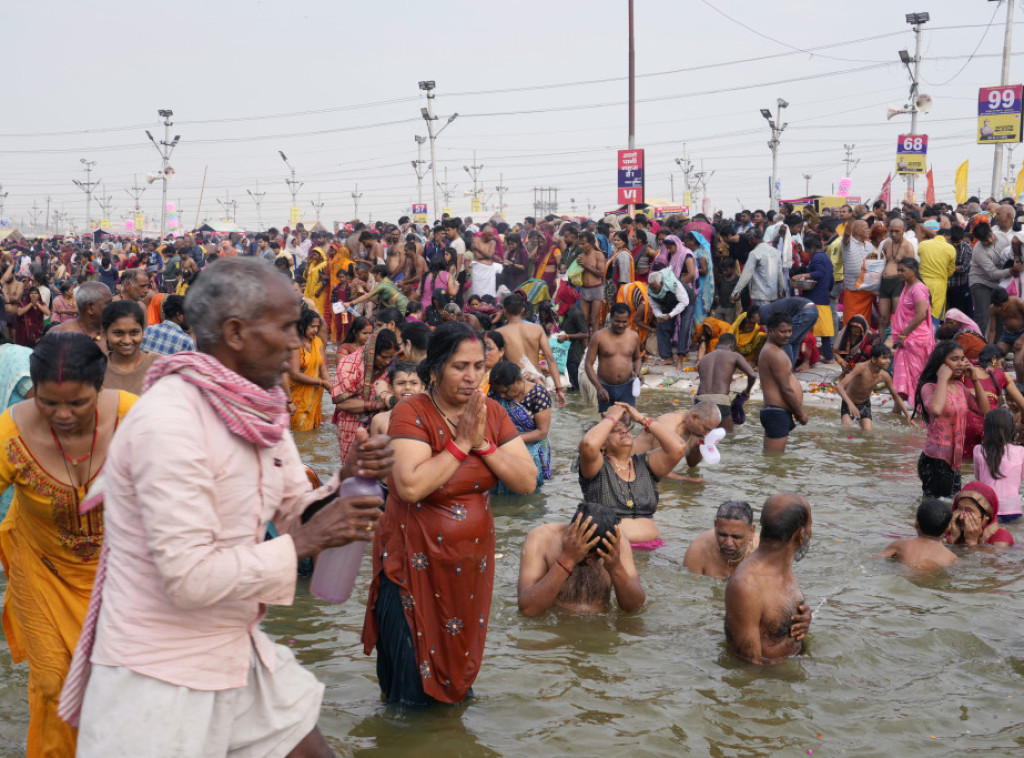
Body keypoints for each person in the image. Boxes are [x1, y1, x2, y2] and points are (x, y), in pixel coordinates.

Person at [70, 258, 393, 756]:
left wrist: (342, 482)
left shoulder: (258, 409)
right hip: (157, 675)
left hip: (232, 647)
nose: (298, 343)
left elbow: (291, 510)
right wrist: (306, 541)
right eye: (286, 327)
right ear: (237, 332)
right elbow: (188, 576)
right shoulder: (170, 422)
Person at [361, 322, 537, 707]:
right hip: (413, 566)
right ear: (436, 369)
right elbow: (409, 486)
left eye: (479, 365)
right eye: (460, 366)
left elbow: (526, 480)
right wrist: (460, 444)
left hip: (469, 569)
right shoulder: (412, 412)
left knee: (458, 670)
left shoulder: (489, 412)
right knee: (412, 684)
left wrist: (484, 446)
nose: (472, 376)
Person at [0, 333, 136, 757]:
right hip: (41, 569)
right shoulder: (8, 434)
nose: (62, 414)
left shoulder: (135, 418)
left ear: (100, 388)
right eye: (47, 402)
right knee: (53, 682)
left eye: (77, 403)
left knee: (124, 681)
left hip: (120, 575)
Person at [577, 402, 687, 547]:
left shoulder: (645, 464)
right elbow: (588, 444)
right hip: (611, 548)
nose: (623, 431)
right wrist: (611, 418)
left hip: (653, 549)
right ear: (602, 444)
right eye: (615, 430)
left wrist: (642, 419)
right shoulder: (596, 467)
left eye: (626, 429)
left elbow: (678, 447)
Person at [724, 493, 813, 665]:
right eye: (810, 527)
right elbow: (749, 666)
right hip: (774, 681)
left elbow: (773, 621)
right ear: (800, 535)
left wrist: (803, 619)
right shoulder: (747, 585)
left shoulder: (782, 566)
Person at [516, 501, 644, 616]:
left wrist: (616, 567)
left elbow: (634, 608)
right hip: (555, 627)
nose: (591, 562)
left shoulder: (617, 542)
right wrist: (567, 559)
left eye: (598, 557)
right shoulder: (541, 538)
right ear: (572, 533)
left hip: (600, 626)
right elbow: (528, 610)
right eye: (587, 555)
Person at [914, 341, 991, 498]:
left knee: (952, 503)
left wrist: (975, 380)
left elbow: (985, 411)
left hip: (955, 460)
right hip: (936, 460)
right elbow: (936, 409)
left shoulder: (959, 387)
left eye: (962, 359)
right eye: (954, 359)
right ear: (941, 363)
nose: (960, 363)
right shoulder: (929, 387)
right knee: (939, 507)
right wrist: (942, 378)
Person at [331, 328, 400, 463]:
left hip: (382, 426)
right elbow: (342, 402)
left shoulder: (394, 367)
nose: (387, 361)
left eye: (391, 357)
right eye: (384, 357)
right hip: (351, 427)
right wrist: (376, 404)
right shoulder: (349, 364)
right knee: (352, 469)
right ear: (372, 352)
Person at [487, 360, 552, 493]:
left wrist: (511, 441)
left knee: (527, 489)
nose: (502, 396)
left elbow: (542, 432)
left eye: (505, 391)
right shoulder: (495, 392)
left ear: (517, 380)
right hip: (501, 444)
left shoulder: (538, 394)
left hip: (531, 447)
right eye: (499, 393)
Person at [497, 294, 566, 407]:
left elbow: (496, 365)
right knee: (542, 424)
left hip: (516, 387)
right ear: (523, 309)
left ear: (504, 311)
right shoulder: (537, 329)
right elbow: (550, 358)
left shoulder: (500, 333)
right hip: (538, 385)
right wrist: (559, 390)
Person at [758, 313, 807, 453]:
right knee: (775, 463)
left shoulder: (773, 351)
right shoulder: (774, 353)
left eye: (789, 331)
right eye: (782, 331)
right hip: (776, 412)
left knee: (772, 461)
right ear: (771, 331)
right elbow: (786, 389)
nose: (787, 335)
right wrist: (800, 414)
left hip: (776, 412)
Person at [835, 344, 911, 430]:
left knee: (868, 432)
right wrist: (850, 405)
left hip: (864, 405)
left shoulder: (885, 376)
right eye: (884, 358)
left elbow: (896, 396)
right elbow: (840, 387)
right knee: (847, 429)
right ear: (874, 359)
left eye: (889, 358)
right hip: (849, 402)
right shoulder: (861, 367)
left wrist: (908, 415)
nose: (888, 361)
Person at [583, 303, 642, 413]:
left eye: (624, 322)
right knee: (608, 423)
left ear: (629, 320)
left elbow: (637, 358)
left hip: (627, 387)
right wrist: (599, 388)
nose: (620, 325)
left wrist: (638, 372)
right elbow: (588, 364)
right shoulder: (598, 337)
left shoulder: (634, 336)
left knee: (627, 422)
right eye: (617, 321)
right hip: (605, 388)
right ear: (610, 318)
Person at [892, 258, 936, 401]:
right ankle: (897, 411)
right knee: (903, 378)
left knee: (916, 378)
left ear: (913, 270)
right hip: (908, 338)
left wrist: (904, 334)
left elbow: (921, 314)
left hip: (915, 339)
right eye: (898, 270)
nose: (899, 273)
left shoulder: (917, 288)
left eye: (902, 270)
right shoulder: (908, 286)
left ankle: (919, 408)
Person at [693, 333, 756, 433]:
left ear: (718, 344)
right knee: (727, 438)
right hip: (720, 401)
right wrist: (747, 391)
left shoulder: (704, 358)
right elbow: (752, 375)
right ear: (732, 346)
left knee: (701, 437)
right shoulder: (734, 355)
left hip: (700, 400)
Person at [683, 500, 760, 579]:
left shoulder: (764, 554)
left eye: (736, 537)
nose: (728, 543)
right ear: (716, 526)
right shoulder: (698, 551)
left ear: (751, 532)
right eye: (722, 535)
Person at [972, 408, 1024, 524]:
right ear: (1012, 430)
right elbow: (1020, 479)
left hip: (987, 509)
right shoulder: (1021, 451)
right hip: (1013, 510)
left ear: (986, 430)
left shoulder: (978, 450)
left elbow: (978, 478)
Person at [876, 499, 958, 569]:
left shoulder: (901, 544)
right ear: (947, 529)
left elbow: (877, 559)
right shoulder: (951, 557)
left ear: (916, 523)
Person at [100, 300, 159, 396]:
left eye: (134, 332)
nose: (127, 340)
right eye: (118, 333)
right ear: (104, 333)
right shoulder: (95, 368)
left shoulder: (159, 364)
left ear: (143, 331)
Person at [287, 307, 330, 432]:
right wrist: (321, 382)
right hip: (298, 399)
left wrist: (330, 385)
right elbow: (295, 374)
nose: (316, 330)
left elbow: (323, 368)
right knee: (300, 433)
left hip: (315, 395)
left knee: (312, 431)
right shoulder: (295, 344)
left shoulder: (318, 343)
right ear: (302, 325)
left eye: (317, 327)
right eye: (312, 326)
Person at [946, 482, 1015, 547]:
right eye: (959, 509)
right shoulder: (954, 529)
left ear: (986, 516)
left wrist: (971, 541)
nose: (961, 517)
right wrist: (953, 538)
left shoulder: (1001, 538)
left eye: (969, 511)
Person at [757, 297, 818, 368]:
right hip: (814, 310)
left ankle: (787, 370)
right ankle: (790, 369)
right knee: (796, 342)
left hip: (806, 311)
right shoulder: (768, 310)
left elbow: (771, 336)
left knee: (786, 340)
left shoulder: (763, 314)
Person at [368, 361, 424, 436]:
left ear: (422, 388)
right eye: (401, 383)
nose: (407, 387)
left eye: (413, 383)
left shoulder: (429, 419)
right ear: (391, 389)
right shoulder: (379, 420)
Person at [648, 269, 690, 368]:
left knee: (684, 326)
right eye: (651, 288)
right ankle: (668, 357)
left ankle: (680, 358)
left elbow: (684, 302)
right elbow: (655, 306)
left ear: (661, 283)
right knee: (662, 326)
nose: (653, 291)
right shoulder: (650, 290)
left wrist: (670, 315)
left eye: (655, 288)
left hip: (686, 301)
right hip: (669, 303)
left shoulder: (674, 284)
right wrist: (659, 316)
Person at [51, 282, 112, 348]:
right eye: (108, 304)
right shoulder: (59, 334)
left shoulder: (114, 332)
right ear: (90, 307)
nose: (112, 308)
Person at [841, 219, 875, 326]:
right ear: (856, 230)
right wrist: (854, 216)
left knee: (864, 322)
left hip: (866, 291)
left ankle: (863, 342)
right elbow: (846, 233)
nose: (868, 230)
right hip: (852, 290)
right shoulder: (848, 242)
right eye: (866, 228)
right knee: (851, 322)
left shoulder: (869, 245)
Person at [987, 287, 1024, 380]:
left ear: (1007, 300)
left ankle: (1021, 386)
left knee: (1018, 362)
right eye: (997, 306)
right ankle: (995, 384)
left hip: (1022, 333)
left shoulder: (1018, 303)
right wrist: (989, 348)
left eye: (1002, 305)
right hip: (1007, 335)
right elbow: (992, 331)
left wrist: (1021, 339)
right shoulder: (993, 308)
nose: (999, 308)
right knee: (993, 359)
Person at [575, 231, 606, 335]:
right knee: (584, 321)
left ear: (591, 244)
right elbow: (576, 274)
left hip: (596, 289)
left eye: (583, 243)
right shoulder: (580, 256)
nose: (581, 246)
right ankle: (585, 346)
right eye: (580, 243)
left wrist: (585, 265)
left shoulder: (598, 255)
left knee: (594, 320)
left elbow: (601, 273)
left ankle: (595, 346)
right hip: (584, 289)